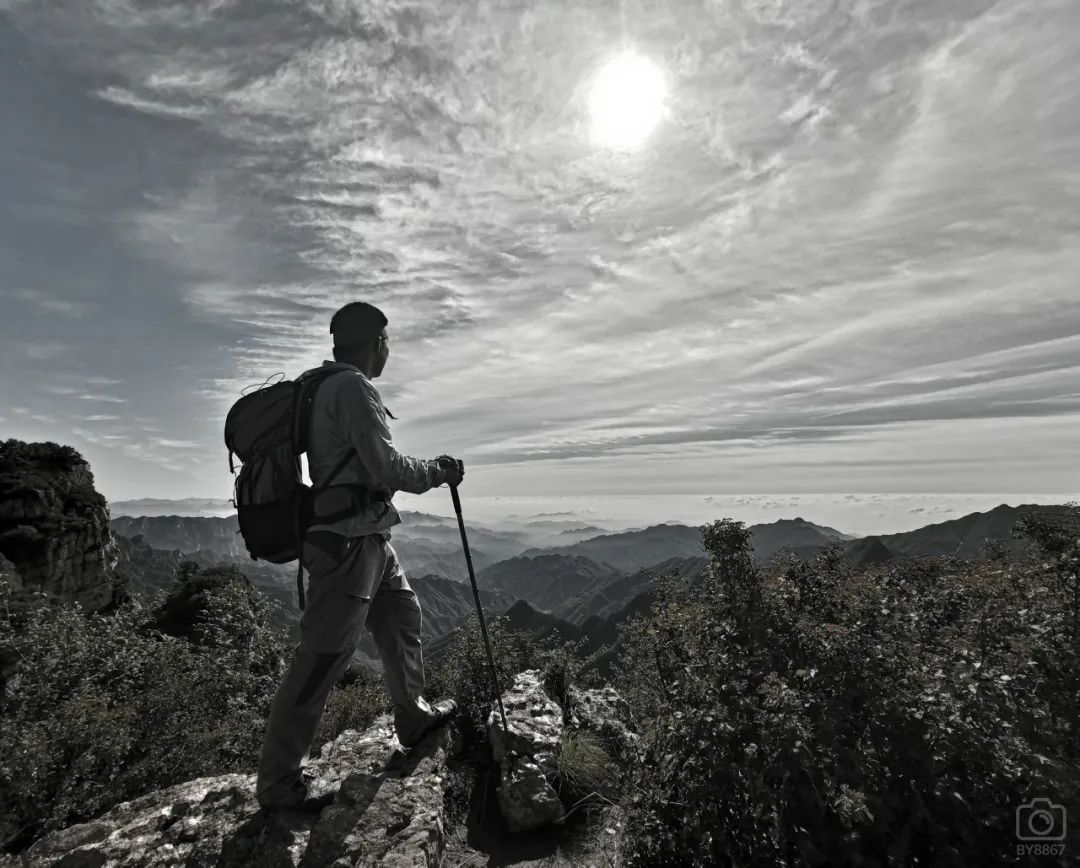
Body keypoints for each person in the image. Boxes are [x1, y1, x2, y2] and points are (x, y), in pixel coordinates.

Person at [255, 301, 464, 812]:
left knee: (402, 615)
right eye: (388, 342)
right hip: (347, 543)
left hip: (366, 536)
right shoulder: (352, 387)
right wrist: (437, 471)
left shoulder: (323, 386)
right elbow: (386, 466)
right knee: (322, 657)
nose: (389, 351)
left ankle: (413, 715)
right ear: (376, 343)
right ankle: (279, 783)